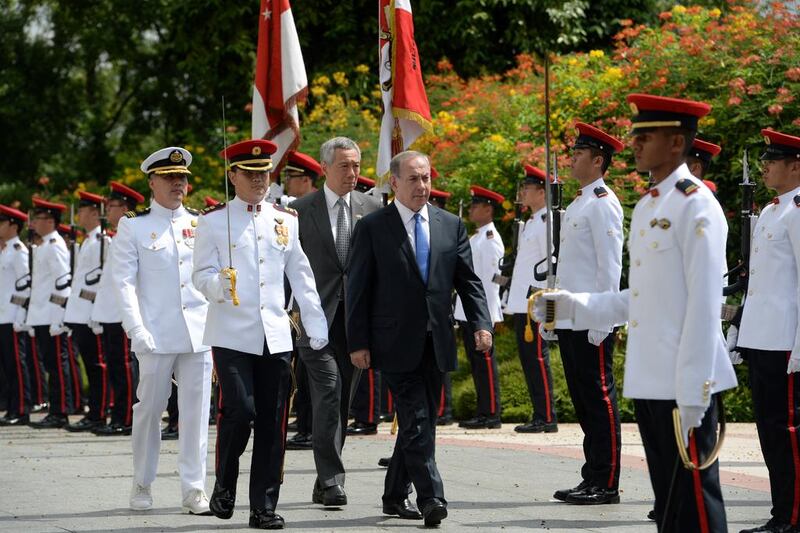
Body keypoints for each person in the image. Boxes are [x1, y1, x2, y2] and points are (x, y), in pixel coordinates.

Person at [535, 94, 737, 532]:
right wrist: (572, 305)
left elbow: (704, 305)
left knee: (697, 506)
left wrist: (694, 390)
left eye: (647, 135)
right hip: (651, 377)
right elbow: (641, 296)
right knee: (669, 505)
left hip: (685, 381)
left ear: (677, 142)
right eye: (636, 134)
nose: (636, 144)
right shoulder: (649, 205)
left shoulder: (696, 204)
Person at [347, 150, 492, 526]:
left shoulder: (449, 224)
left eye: (426, 177)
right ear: (393, 183)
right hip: (392, 343)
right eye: (413, 178)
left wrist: (481, 323)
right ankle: (431, 498)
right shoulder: (373, 227)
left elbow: (469, 281)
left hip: (437, 340)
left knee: (419, 422)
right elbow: (358, 289)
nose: (422, 186)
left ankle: (394, 495)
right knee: (416, 419)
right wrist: (357, 342)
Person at [193, 139, 328, 530]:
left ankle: (263, 506)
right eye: (249, 174)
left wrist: (316, 327)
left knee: (272, 420)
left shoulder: (285, 219)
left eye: (264, 173)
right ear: (232, 175)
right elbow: (199, 276)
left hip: (274, 334)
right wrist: (219, 283)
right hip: (231, 333)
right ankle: (224, 483)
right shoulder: (213, 221)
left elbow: (300, 276)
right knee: (240, 410)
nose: (258, 180)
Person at [112, 146, 213, 515]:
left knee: (196, 413)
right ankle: (143, 480)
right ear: (152, 182)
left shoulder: (202, 223)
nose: (178, 184)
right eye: (170, 178)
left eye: (182, 178)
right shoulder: (134, 225)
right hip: (154, 333)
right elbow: (122, 283)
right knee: (150, 409)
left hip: (198, 333)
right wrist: (135, 328)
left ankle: (194, 488)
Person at [289, 136, 382, 507]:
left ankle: (324, 478)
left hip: (356, 322)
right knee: (328, 391)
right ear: (325, 168)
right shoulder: (298, 210)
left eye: (357, 165)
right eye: (344, 166)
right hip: (314, 319)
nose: (352, 173)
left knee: (343, 398)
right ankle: (331, 480)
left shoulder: (373, 207)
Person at [730, 128, 800, 533]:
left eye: (773, 160)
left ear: (795, 166)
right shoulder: (772, 211)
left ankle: (791, 517)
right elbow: (758, 282)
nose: (765, 166)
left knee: (787, 432)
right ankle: (781, 512)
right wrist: (743, 330)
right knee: (770, 432)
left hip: (786, 341)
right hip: (763, 338)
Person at [551, 122, 624, 505]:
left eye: (580, 154)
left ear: (598, 161)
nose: (572, 158)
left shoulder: (602, 202)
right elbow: (569, 269)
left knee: (599, 398)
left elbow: (609, 267)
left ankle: (606, 481)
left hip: (592, 318)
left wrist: (603, 318)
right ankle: (591, 474)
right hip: (570, 316)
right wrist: (554, 314)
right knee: (583, 399)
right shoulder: (580, 201)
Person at [503, 165, 558, 433]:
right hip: (523, 301)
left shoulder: (548, 221)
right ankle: (540, 413)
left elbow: (551, 261)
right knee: (529, 359)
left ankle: (546, 416)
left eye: (527, 188)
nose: (522, 192)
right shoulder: (533, 221)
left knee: (537, 358)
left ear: (541, 191)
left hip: (537, 300)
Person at [91, 182, 144, 436]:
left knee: (124, 367)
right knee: (116, 366)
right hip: (111, 313)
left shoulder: (130, 234)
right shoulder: (116, 237)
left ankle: (126, 417)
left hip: (124, 315)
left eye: (110, 206)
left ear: (124, 208)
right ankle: (119, 415)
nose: (106, 211)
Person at [455, 185, 505, 429]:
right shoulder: (476, 238)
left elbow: (489, 281)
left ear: (488, 209)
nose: (472, 210)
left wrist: (483, 315)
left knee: (485, 364)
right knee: (477, 365)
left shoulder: (490, 240)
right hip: (468, 310)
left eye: (476, 206)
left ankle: (491, 414)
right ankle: (483, 410)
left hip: (481, 313)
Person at [283, 150, 322, 452]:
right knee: (301, 368)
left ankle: (310, 427)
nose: (285, 181)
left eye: (290, 177)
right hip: (295, 301)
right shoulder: (294, 211)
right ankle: (305, 423)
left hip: (314, 300)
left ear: (305, 180)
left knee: (309, 369)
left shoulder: (311, 211)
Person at [63, 191, 111, 432]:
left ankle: (98, 413)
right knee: (90, 365)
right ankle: (93, 412)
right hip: (79, 313)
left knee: (96, 366)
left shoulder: (103, 241)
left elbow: (102, 281)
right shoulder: (88, 241)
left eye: (82, 210)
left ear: (94, 212)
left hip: (92, 314)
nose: (78, 215)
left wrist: (97, 312)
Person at [26, 197, 75, 429]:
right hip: (41, 315)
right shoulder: (45, 245)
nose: (34, 222)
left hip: (51, 315)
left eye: (39, 218)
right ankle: (55, 409)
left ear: (50, 221)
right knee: (50, 366)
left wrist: (58, 317)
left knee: (57, 365)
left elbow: (62, 283)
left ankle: (61, 411)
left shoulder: (55, 246)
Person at [0, 205, 32, 426]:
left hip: (12, 317)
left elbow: (25, 286)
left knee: (16, 365)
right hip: (2, 316)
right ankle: (11, 407)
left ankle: (21, 409)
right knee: (6, 366)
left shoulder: (19, 250)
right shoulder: (5, 250)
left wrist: (20, 315)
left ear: (13, 225)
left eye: (2, 223)